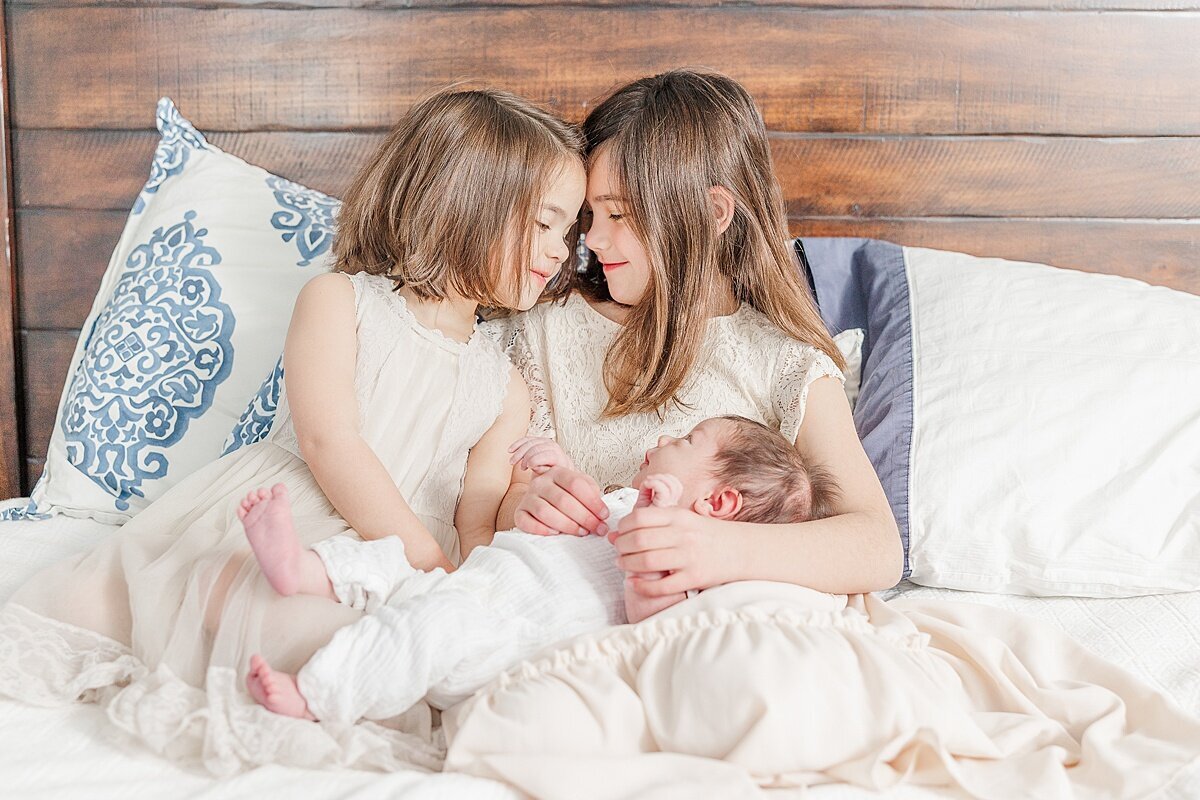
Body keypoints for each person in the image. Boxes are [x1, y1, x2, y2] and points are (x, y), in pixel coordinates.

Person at [0, 88, 586, 763]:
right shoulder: (341, 301)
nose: (560, 250)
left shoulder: (503, 384)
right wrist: (422, 558)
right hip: (312, 514)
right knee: (227, 590)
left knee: (406, 645)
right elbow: (328, 442)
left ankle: (341, 674)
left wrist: (467, 585)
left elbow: (478, 514)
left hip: (407, 559)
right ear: (468, 200)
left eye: (568, 231)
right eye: (545, 224)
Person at [484, 68, 903, 600]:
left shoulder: (784, 363)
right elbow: (489, 502)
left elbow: (877, 547)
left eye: (619, 213)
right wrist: (525, 506)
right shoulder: (542, 333)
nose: (591, 236)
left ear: (710, 212)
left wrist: (713, 548)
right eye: (590, 213)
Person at [234, 416, 839, 724]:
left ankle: (318, 695)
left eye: (687, 438)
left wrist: (653, 530)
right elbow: (585, 518)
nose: (663, 438)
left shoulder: (691, 571)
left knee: (428, 624)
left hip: (497, 637)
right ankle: (301, 569)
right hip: (471, 583)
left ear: (718, 504)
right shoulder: (628, 502)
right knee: (386, 561)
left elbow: (649, 623)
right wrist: (558, 467)